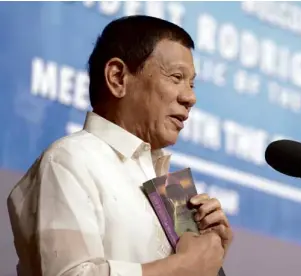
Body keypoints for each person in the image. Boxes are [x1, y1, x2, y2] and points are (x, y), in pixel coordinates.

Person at [7, 15, 233, 276]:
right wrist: (184, 267)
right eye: (176, 77)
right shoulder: (70, 159)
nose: (190, 97)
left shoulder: (170, 186)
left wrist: (210, 260)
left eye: (192, 84)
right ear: (117, 78)